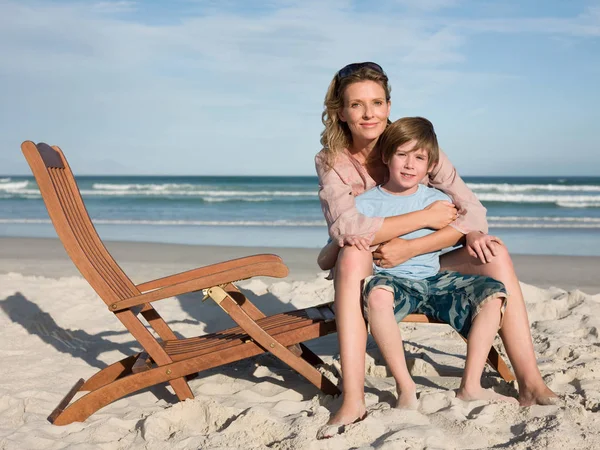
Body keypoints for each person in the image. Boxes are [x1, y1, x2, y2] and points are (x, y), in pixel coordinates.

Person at [315, 62, 557, 430]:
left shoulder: (414, 145)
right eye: (357, 105)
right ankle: (353, 399)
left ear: (389, 106)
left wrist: (417, 245)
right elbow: (348, 227)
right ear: (341, 112)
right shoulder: (332, 160)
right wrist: (424, 217)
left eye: (377, 103)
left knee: (495, 251)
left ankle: (531, 383)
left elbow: (472, 208)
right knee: (351, 255)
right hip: (371, 267)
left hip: (425, 263)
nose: (369, 114)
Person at [358, 117, 517, 413]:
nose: (409, 165)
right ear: (386, 156)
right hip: (393, 281)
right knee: (377, 294)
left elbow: (459, 229)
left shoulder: (439, 200)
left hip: (433, 279)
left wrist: (472, 233)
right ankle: (405, 386)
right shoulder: (366, 203)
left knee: (493, 293)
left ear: (431, 165)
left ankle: (470, 386)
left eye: (419, 158)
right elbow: (353, 243)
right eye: (402, 154)